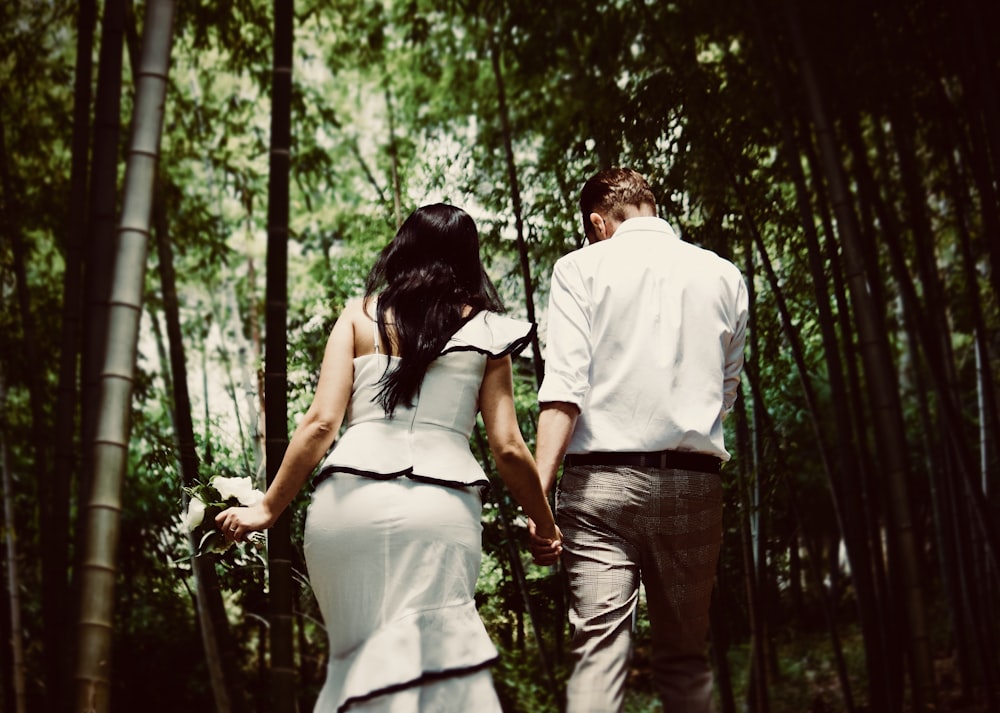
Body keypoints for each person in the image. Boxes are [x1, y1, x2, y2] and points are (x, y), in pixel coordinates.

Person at [216, 203, 562, 713]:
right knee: (439, 677)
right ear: (470, 259)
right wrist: (545, 523)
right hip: (439, 513)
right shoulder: (488, 334)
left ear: (404, 248)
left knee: (359, 670)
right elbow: (508, 448)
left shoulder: (359, 316)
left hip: (346, 511)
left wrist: (268, 508)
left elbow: (319, 424)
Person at [529, 168, 748, 713]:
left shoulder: (579, 268)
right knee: (686, 657)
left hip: (599, 489)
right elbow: (725, 393)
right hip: (693, 485)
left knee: (598, 655)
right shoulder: (724, 275)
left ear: (597, 223)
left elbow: (564, 392)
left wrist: (537, 501)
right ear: (652, 207)